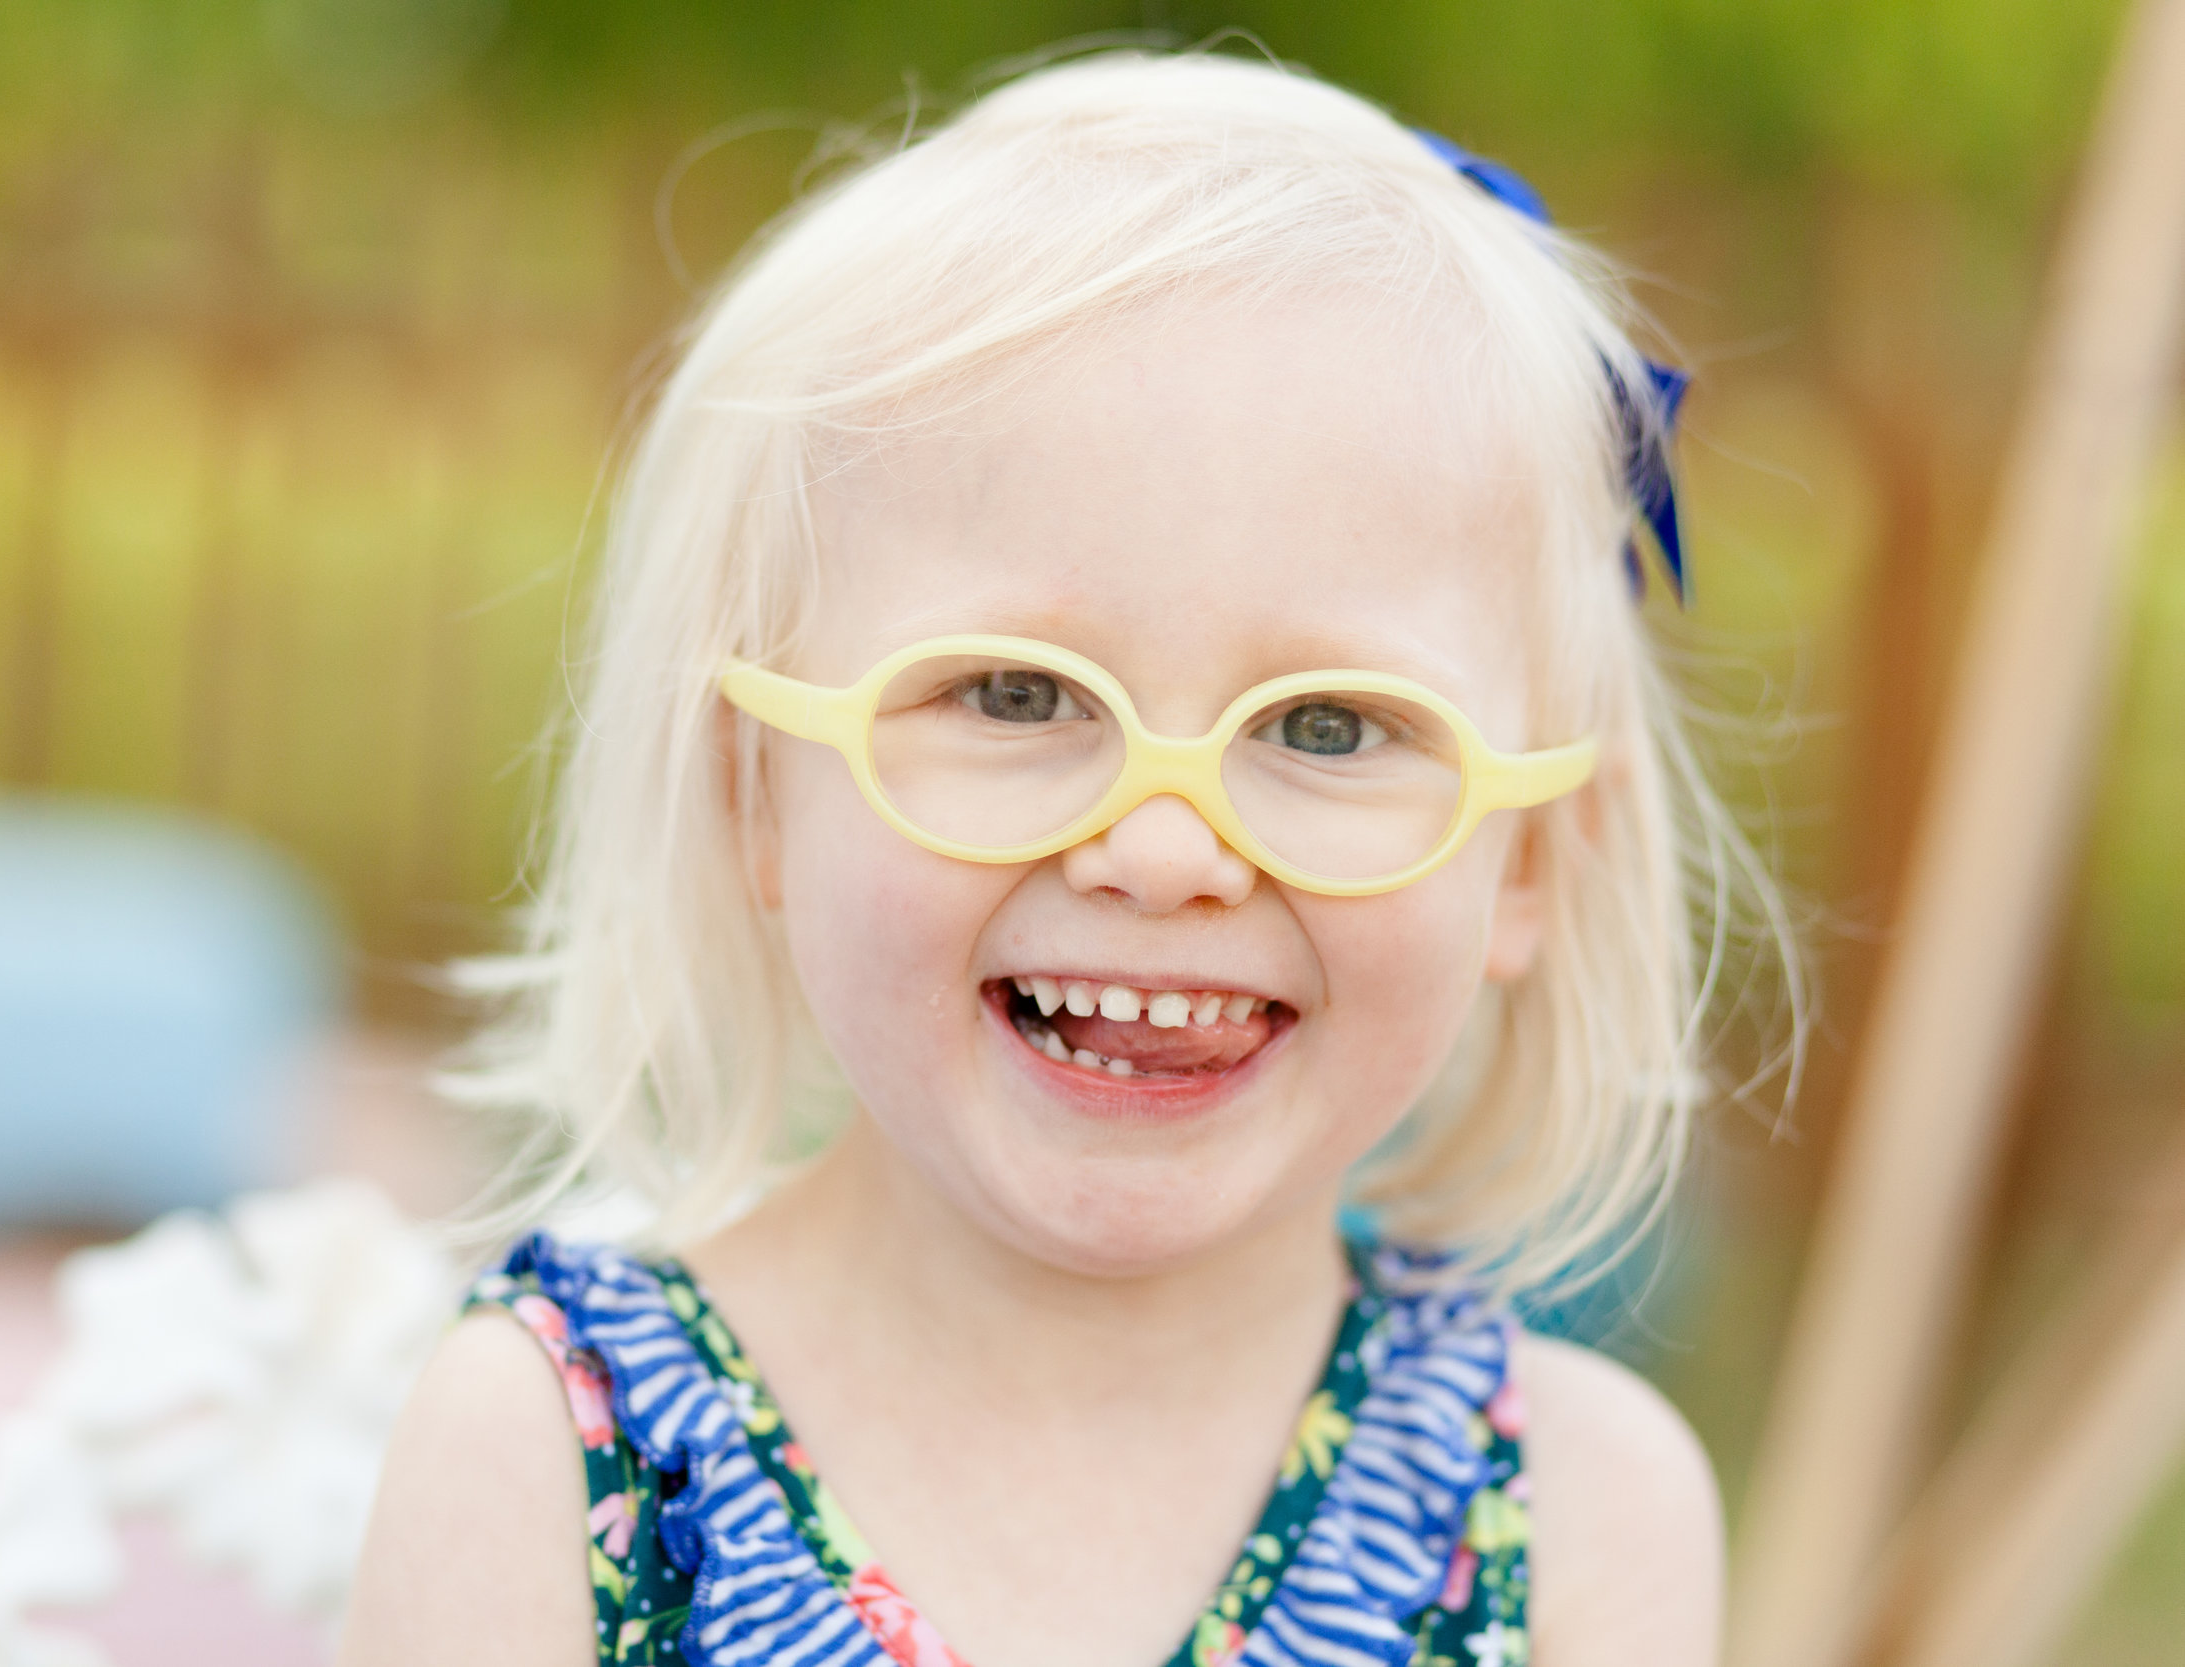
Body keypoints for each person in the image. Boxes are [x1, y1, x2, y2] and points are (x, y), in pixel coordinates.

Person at [340, 46, 1793, 1667]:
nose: (1167, 849)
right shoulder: (552, 1446)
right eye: (1017, 695)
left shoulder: (1577, 1506)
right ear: (758, 785)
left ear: (1528, 860)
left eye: (1325, 727)